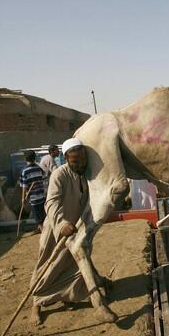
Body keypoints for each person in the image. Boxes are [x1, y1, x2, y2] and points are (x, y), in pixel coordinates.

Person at [30, 138, 116, 325]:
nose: (80, 164)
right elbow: (51, 202)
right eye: (75, 161)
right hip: (56, 230)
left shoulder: (88, 174)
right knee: (47, 267)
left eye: (82, 160)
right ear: (66, 158)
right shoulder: (59, 175)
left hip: (78, 229)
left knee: (75, 267)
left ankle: (68, 297)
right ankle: (36, 304)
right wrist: (61, 224)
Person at [20, 150, 46, 233]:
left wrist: (23, 198)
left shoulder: (25, 171)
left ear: (25, 159)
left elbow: (24, 186)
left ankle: (44, 233)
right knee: (42, 215)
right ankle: (40, 229)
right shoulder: (39, 168)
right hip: (42, 196)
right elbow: (44, 178)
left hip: (34, 198)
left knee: (39, 219)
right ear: (35, 158)